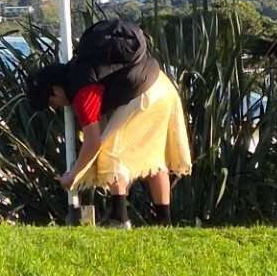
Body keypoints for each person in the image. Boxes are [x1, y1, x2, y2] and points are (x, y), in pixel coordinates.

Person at [26, 17, 192, 228]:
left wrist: (73, 175)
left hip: (143, 94)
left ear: (56, 89)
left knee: (108, 150)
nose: (56, 107)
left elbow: (93, 142)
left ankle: (119, 217)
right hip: (163, 86)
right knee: (153, 157)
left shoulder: (81, 89)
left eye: (51, 102)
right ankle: (164, 221)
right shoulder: (83, 67)